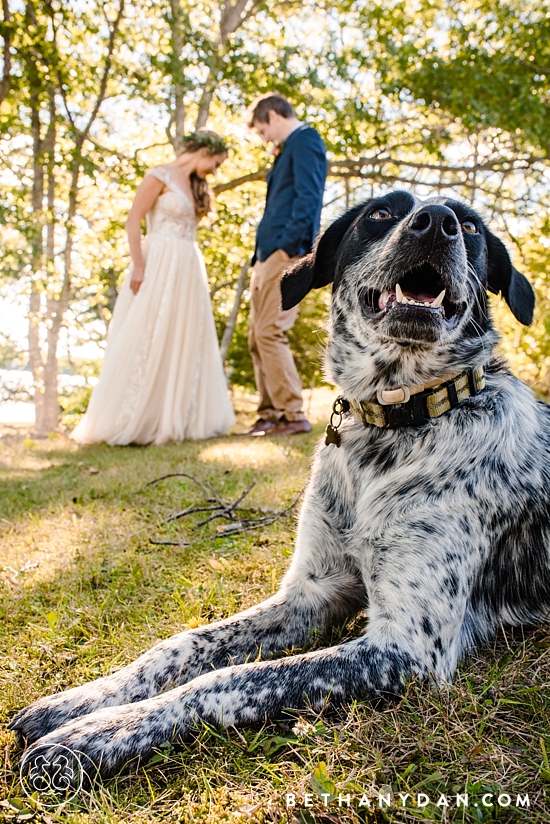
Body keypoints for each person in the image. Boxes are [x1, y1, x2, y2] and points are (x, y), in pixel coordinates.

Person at [71, 131, 235, 446]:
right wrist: (139, 265)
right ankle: (136, 416)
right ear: (203, 151)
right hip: (158, 260)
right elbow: (133, 220)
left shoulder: (198, 186)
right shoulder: (159, 175)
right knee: (149, 331)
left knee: (182, 335)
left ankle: (175, 416)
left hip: (187, 266)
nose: (215, 170)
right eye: (216, 162)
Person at [246, 93, 327, 436]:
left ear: (276, 115)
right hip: (265, 256)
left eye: (262, 129)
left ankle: (293, 415)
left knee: (270, 331)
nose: (263, 138)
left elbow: (308, 198)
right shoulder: (286, 149)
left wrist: (287, 249)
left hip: (285, 254)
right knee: (256, 336)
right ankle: (270, 414)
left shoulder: (306, 141)